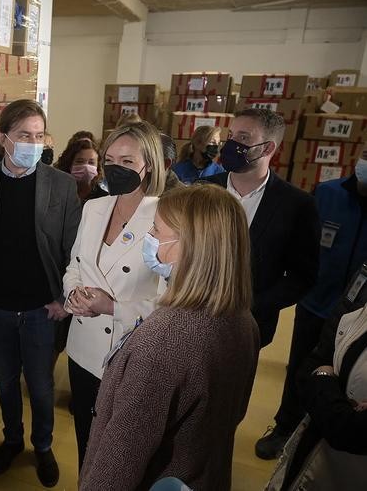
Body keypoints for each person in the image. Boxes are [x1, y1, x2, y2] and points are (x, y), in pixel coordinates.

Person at [79, 185, 260, 490]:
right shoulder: (243, 320)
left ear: (189, 246)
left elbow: (120, 460)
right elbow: (234, 412)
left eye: (156, 229)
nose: (148, 236)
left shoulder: (162, 341)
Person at [0, 99, 81, 487]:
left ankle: (41, 446)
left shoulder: (61, 184)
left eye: (39, 135)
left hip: (43, 306)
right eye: (24, 135)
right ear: (2, 139)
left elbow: (74, 249)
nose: (33, 142)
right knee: (6, 381)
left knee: (41, 386)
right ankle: (12, 439)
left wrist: (66, 300)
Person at [62, 121, 166, 470]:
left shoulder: (168, 217)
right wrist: (73, 293)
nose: (115, 168)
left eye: (127, 160)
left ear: (148, 164)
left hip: (130, 353)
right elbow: (75, 264)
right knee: (85, 442)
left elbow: (175, 302)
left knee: (120, 454)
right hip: (82, 349)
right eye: (109, 159)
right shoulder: (95, 208)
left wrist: (112, 306)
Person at [256, 146, 367, 459]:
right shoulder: (326, 194)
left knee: (344, 374)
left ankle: (324, 438)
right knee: (300, 369)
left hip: (359, 315)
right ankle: (284, 427)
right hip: (316, 302)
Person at [207, 108, 320, 347]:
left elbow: (302, 277)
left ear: (269, 148)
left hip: (249, 327)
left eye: (244, 138)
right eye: (231, 135)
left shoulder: (297, 205)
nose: (232, 144)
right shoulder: (202, 189)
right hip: (192, 317)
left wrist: (250, 306)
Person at [266, 262, 367, 490]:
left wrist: (323, 381)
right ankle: (284, 425)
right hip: (315, 462)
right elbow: (314, 363)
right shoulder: (364, 277)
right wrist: (323, 377)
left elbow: (350, 430)